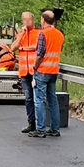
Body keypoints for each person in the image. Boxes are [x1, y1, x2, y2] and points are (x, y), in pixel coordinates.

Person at [28, 10, 65, 138]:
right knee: (52, 100)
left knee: (39, 100)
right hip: (54, 71)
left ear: (43, 20)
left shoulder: (43, 34)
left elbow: (40, 54)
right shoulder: (59, 34)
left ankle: (40, 129)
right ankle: (55, 128)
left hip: (42, 71)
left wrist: (35, 66)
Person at [10, 11, 40, 133]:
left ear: (33, 21)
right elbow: (13, 48)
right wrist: (22, 35)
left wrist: (25, 48)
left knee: (37, 98)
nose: (27, 22)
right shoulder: (20, 35)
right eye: (25, 20)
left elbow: (39, 47)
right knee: (28, 98)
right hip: (24, 71)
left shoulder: (38, 33)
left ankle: (40, 123)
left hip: (35, 70)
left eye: (29, 20)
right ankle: (31, 122)